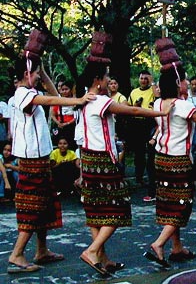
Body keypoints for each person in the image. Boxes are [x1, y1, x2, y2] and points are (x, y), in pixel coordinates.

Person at [78, 62, 168, 276]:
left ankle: (102, 258)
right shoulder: (100, 101)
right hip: (102, 159)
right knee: (118, 208)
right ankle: (92, 251)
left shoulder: (81, 101)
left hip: (88, 157)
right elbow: (133, 110)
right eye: (107, 76)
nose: (109, 80)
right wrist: (161, 114)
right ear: (97, 80)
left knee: (95, 211)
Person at [8, 56, 95, 274]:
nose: (39, 77)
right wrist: (78, 100)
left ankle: (42, 250)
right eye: (36, 73)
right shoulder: (21, 94)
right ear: (27, 74)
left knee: (45, 205)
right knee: (33, 207)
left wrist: (42, 69)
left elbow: (54, 96)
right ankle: (17, 254)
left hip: (39, 158)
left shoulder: (29, 91)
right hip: (31, 160)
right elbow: (49, 101)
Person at [143, 64, 196, 267]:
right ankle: (159, 243)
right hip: (179, 160)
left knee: (169, 203)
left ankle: (177, 247)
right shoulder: (183, 106)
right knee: (183, 204)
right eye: (183, 80)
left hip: (162, 157)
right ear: (177, 83)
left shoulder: (158, 104)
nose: (186, 83)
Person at [127, 70, 156, 193]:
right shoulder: (134, 92)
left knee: (150, 151)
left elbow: (157, 96)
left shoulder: (152, 90)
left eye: (146, 78)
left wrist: (152, 81)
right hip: (137, 122)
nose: (143, 80)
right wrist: (136, 106)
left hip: (149, 121)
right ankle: (139, 177)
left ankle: (151, 179)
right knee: (139, 152)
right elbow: (129, 106)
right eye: (141, 78)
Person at [50, 80, 77, 150]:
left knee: (71, 146)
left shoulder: (75, 101)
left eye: (66, 89)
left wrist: (67, 123)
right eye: (62, 90)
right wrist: (58, 123)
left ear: (71, 90)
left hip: (71, 128)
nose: (64, 91)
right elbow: (53, 115)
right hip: (60, 127)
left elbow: (76, 116)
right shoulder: (58, 101)